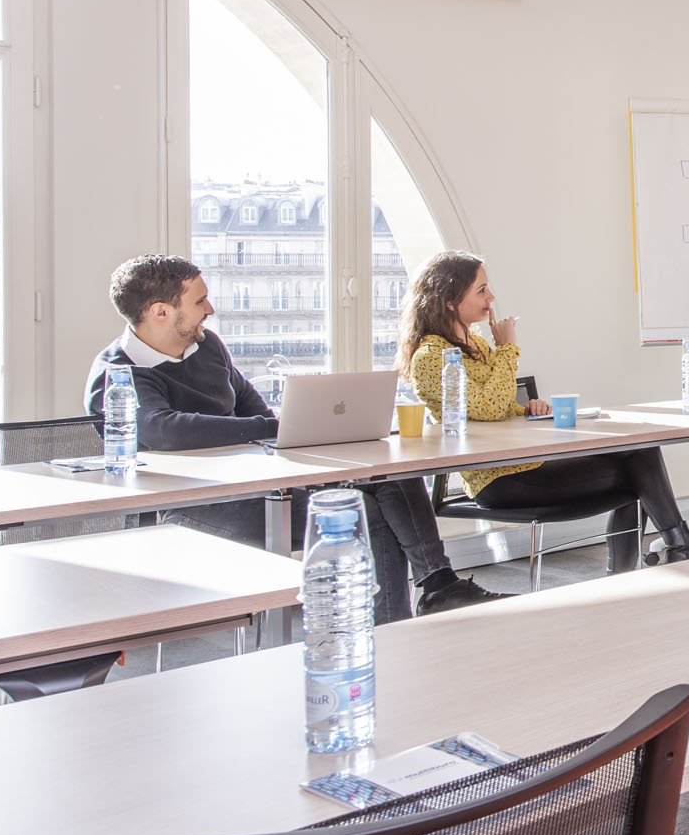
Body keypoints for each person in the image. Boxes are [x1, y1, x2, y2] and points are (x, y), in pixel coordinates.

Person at [84, 254, 501, 621]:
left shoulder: (208, 347)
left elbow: (252, 406)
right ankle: (404, 618)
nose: (210, 308)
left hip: (260, 482)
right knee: (363, 511)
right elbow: (164, 430)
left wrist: (290, 429)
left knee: (385, 473)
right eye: (198, 301)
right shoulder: (118, 373)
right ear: (160, 311)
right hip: (193, 503)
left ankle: (434, 590)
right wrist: (271, 430)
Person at [400, 252, 689, 569]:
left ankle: (666, 552)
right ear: (449, 299)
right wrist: (508, 348)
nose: (491, 298)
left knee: (637, 453)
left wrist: (527, 410)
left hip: (526, 464)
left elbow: (497, 408)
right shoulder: (430, 357)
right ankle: (673, 549)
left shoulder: (477, 346)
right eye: (481, 290)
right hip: (497, 480)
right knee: (639, 466)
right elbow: (489, 409)